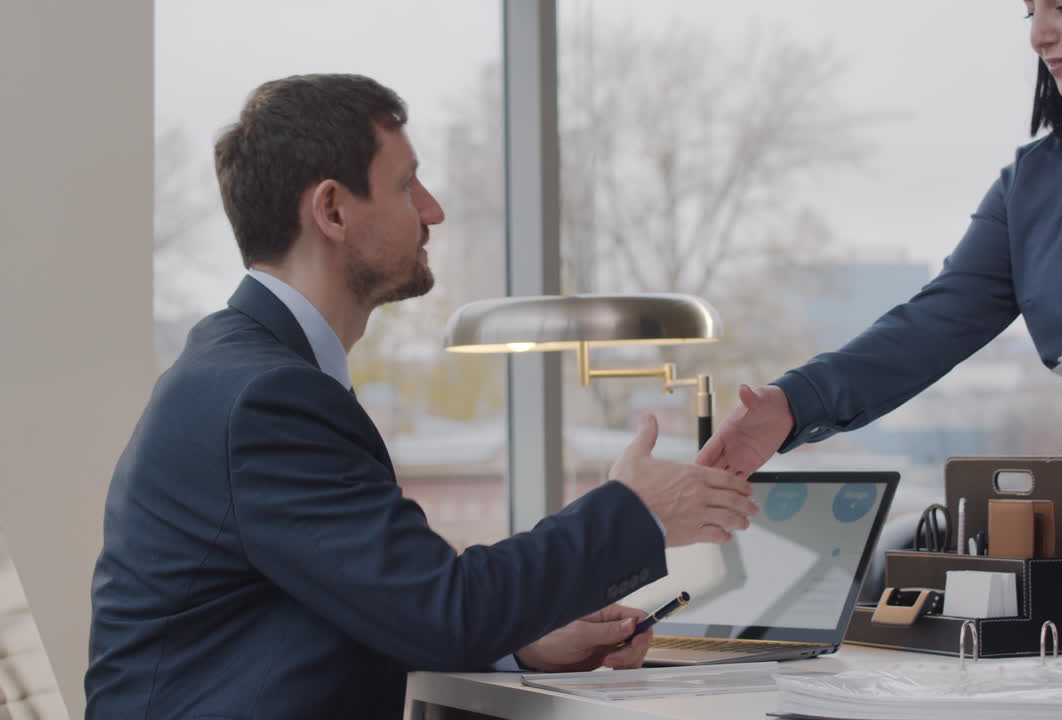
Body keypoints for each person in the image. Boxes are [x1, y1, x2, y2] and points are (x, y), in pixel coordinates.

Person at [85, 74, 759, 719]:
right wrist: (636, 511)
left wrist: (524, 642)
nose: (433, 209)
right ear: (332, 209)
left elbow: (381, 602)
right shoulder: (266, 398)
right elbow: (445, 609)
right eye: (407, 185)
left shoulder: (243, 371)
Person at [697, 0, 1062, 661]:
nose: (1039, 34)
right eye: (1029, 11)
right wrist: (793, 404)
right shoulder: (1031, 183)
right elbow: (931, 323)